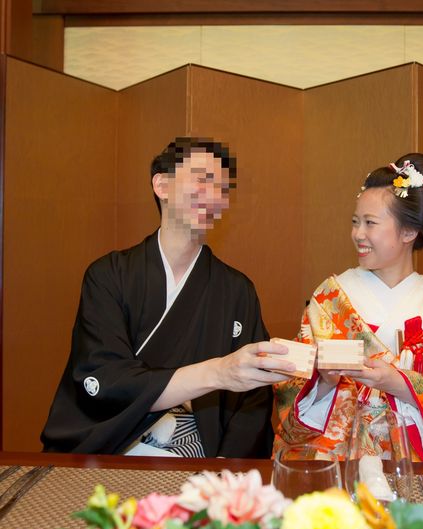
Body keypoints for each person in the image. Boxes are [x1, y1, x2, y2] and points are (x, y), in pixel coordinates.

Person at [41, 137, 294, 457]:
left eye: (222, 189)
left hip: (199, 452)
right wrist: (218, 372)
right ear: (162, 185)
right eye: (203, 180)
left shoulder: (236, 289)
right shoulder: (109, 275)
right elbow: (105, 377)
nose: (214, 196)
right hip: (111, 446)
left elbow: (253, 400)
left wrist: (225, 467)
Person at [273, 153, 423, 463]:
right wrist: (324, 381)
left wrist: (399, 383)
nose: (358, 234)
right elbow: (291, 384)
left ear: (409, 231)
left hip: (416, 460)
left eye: (370, 223)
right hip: (343, 458)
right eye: (355, 222)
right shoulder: (331, 298)